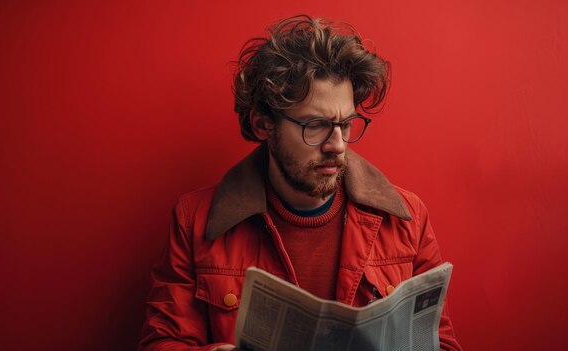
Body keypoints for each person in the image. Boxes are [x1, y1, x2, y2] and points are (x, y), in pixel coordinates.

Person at [138, 14, 462, 351]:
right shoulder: (194, 220)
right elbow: (163, 342)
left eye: (346, 124)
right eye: (315, 125)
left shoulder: (408, 218)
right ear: (264, 125)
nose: (337, 145)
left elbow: (442, 343)